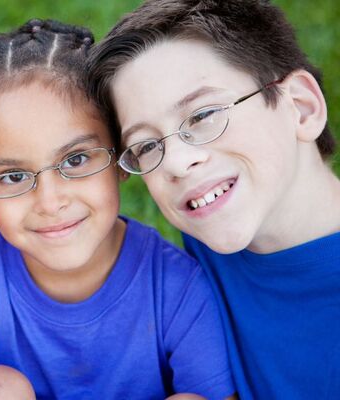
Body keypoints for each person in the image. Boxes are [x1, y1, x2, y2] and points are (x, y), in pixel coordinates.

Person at [0, 19, 235, 400]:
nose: (50, 202)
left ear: (121, 155)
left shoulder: (175, 285)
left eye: (77, 159)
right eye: (14, 177)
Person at [85, 0, 340, 399]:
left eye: (203, 116)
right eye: (148, 145)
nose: (178, 163)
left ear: (301, 107)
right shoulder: (195, 261)